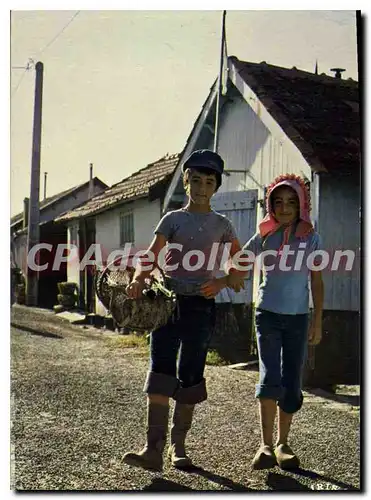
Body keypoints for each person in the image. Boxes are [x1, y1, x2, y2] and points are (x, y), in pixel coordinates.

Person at [122, 149, 245, 472]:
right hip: (166, 304)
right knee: (161, 370)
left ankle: (179, 448)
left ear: (216, 186)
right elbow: (150, 256)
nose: (202, 187)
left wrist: (222, 282)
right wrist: (138, 277)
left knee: (190, 375)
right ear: (186, 183)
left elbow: (241, 261)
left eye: (209, 181)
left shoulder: (223, 224)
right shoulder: (173, 219)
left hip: (201, 307)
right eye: (195, 180)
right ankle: (153, 449)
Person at [240, 174, 324, 470]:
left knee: (291, 381)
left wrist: (317, 321)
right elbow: (240, 260)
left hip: (299, 318)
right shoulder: (264, 235)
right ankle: (264, 445)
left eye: (291, 202)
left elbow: (317, 281)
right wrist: (231, 275)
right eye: (279, 202)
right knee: (269, 376)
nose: (285, 207)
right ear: (270, 205)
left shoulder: (311, 237)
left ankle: (282, 443)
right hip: (268, 316)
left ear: (301, 204)